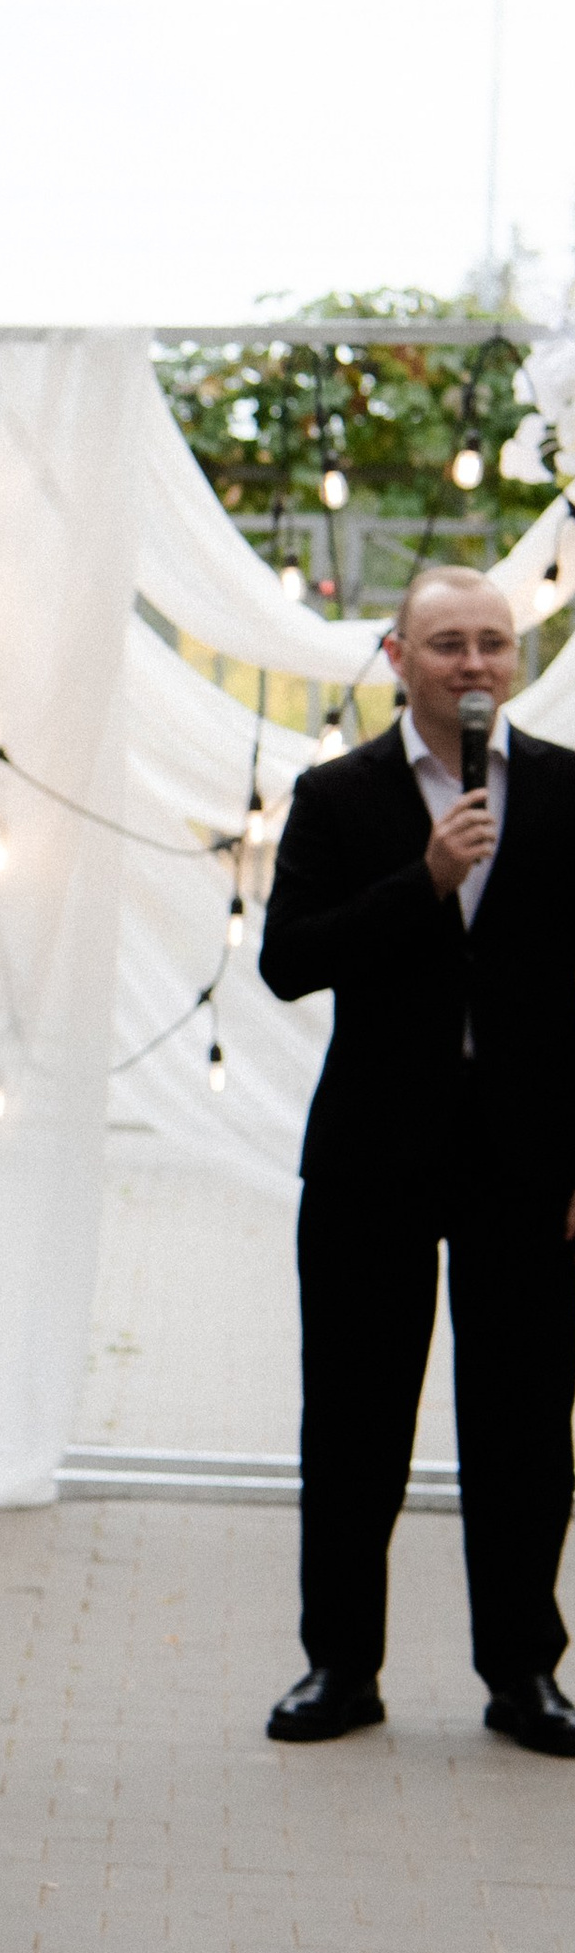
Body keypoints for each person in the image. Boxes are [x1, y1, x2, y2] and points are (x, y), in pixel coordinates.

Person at [259, 562, 575, 1754]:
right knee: (351, 1421)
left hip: (527, 1166)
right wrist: (424, 880)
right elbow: (288, 959)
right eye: (448, 643)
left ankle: (523, 1674)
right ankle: (339, 1665)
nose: (475, 663)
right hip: (370, 1160)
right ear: (398, 657)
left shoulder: (564, 792)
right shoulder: (336, 796)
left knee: (526, 1428)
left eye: (494, 642)